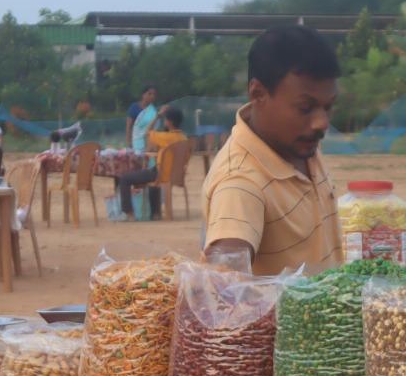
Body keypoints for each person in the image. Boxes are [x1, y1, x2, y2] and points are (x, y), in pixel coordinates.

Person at [203, 26, 341, 275]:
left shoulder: (300, 145)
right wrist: (225, 276)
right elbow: (222, 277)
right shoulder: (240, 181)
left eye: (328, 107)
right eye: (305, 108)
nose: (322, 123)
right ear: (258, 94)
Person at [116, 106, 187, 220]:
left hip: (162, 173)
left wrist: (157, 116)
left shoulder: (166, 137)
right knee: (151, 175)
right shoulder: (184, 138)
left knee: (125, 178)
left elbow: (147, 132)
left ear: (169, 122)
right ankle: (156, 213)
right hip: (177, 175)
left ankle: (129, 213)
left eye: (165, 119)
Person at [130, 86, 160, 152]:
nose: (152, 96)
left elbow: (155, 130)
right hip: (136, 143)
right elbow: (129, 127)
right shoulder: (134, 107)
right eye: (149, 94)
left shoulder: (154, 112)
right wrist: (129, 144)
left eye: (154, 94)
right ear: (143, 95)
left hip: (149, 145)